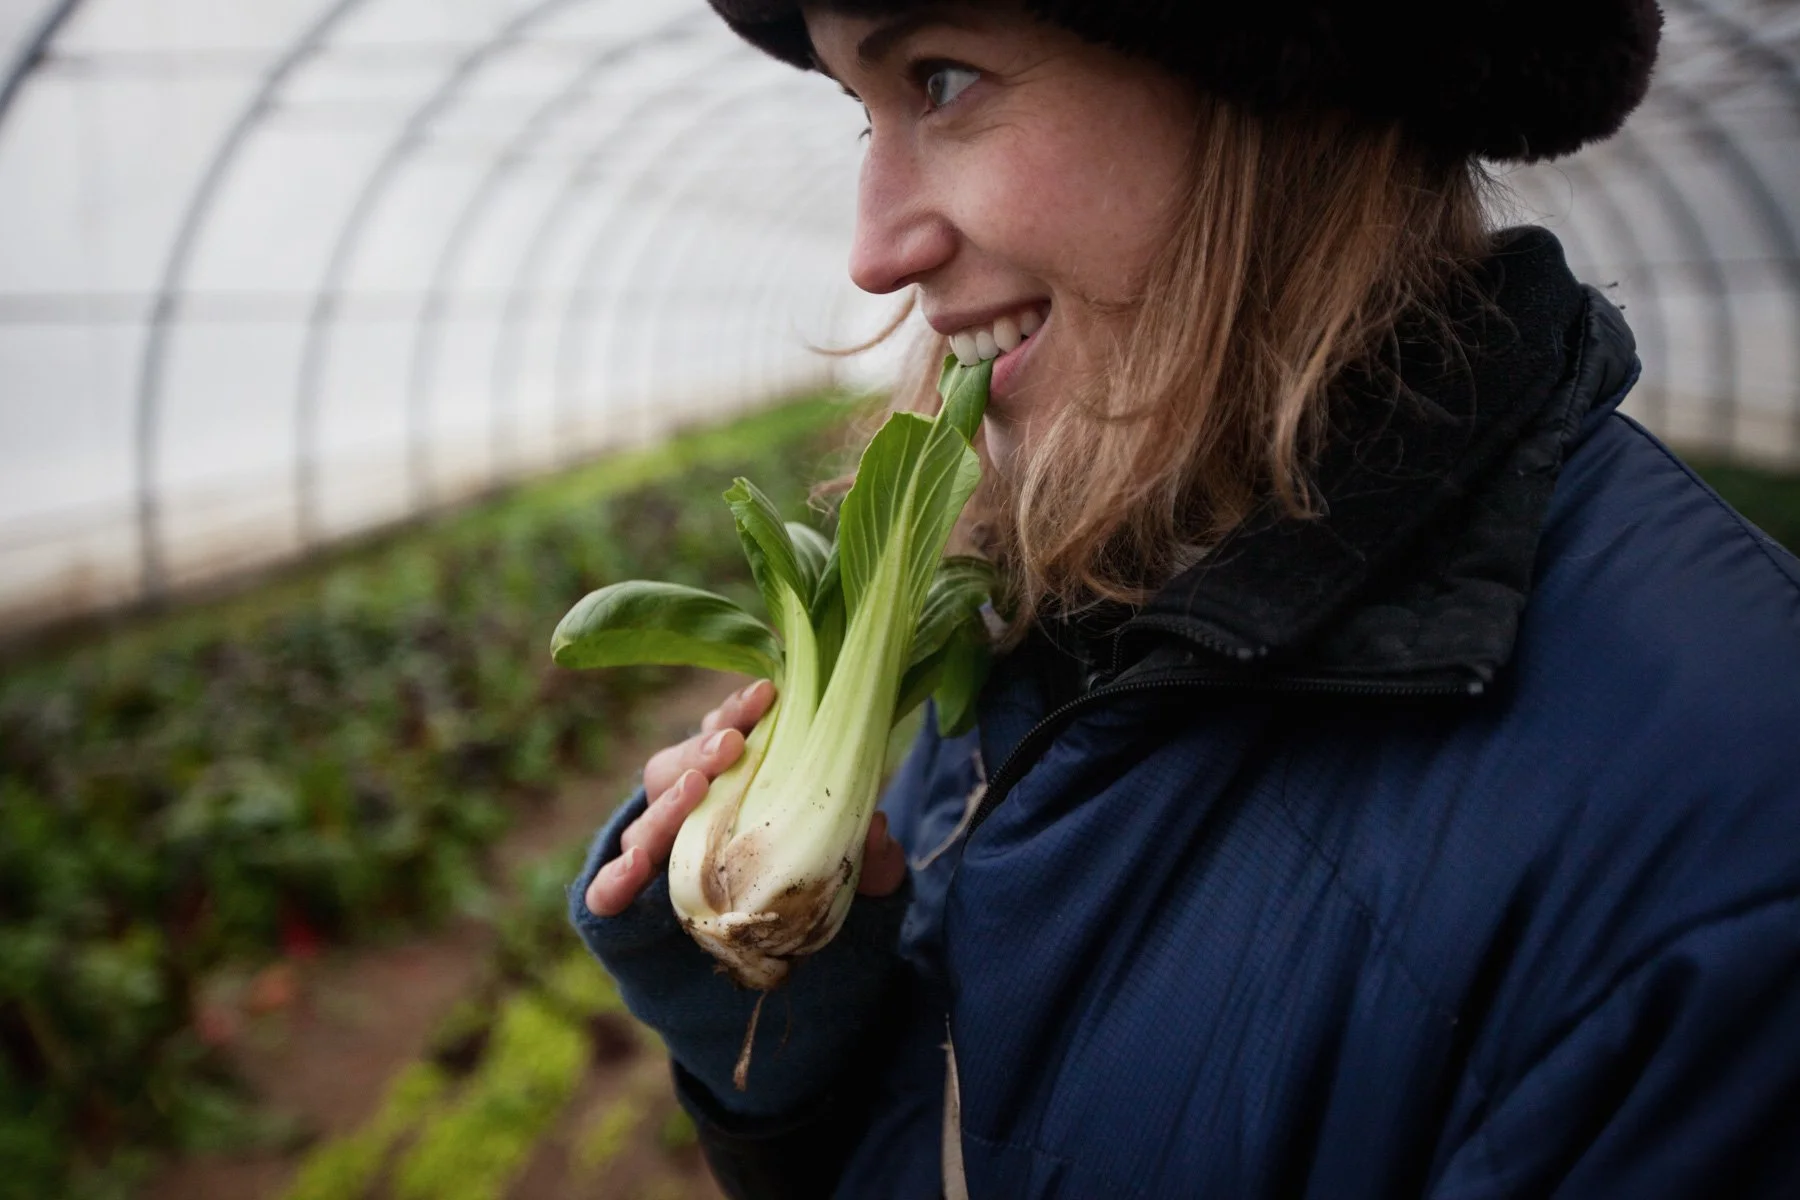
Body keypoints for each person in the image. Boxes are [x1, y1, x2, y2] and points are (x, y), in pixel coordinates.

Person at [571, 2, 1800, 1196]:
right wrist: (811, 1086)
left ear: (1276, 78)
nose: (875, 249)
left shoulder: (1729, 853)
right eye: (863, 111)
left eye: (941, 79)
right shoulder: (1051, 577)